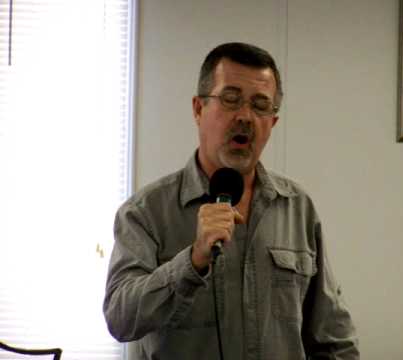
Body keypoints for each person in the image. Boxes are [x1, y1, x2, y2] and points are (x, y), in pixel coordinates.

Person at [103, 42, 359, 360]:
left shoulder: (296, 207)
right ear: (198, 109)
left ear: (273, 123)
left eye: (260, 105)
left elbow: (333, 339)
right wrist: (192, 261)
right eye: (231, 99)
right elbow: (120, 318)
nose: (245, 117)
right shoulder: (146, 212)